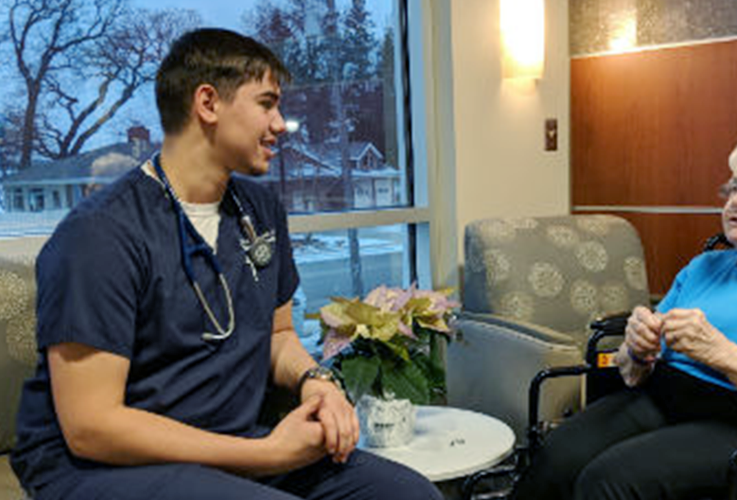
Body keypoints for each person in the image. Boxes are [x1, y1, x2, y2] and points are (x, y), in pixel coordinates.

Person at [11, 28, 442, 500]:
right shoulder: (99, 234)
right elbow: (91, 427)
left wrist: (316, 382)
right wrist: (269, 454)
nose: (280, 123)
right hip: (98, 466)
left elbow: (278, 336)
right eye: (266, 104)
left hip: (227, 440)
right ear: (208, 103)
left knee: (409, 495)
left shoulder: (259, 211)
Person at [512, 126, 737, 500]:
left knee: (610, 480)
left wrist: (721, 353)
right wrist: (637, 347)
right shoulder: (705, 265)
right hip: (664, 397)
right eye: (734, 187)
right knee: (559, 455)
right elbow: (633, 370)